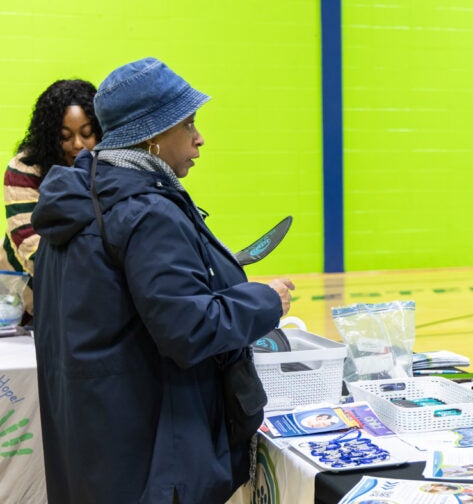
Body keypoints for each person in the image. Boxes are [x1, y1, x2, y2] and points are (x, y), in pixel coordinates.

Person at [31, 57, 294, 503]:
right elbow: (189, 328)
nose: (199, 138)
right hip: (147, 456)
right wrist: (265, 301)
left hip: (94, 451)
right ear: (151, 136)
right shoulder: (145, 212)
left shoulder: (80, 199)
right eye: (188, 124)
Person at [0, 79, 102, 324]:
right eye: (65, 137)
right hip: (31, 299)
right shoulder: (25, 169)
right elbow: (32, 247)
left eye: (87, 134)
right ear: (49, 137)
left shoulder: (108, 166)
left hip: (87, 295)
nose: (78, 145)